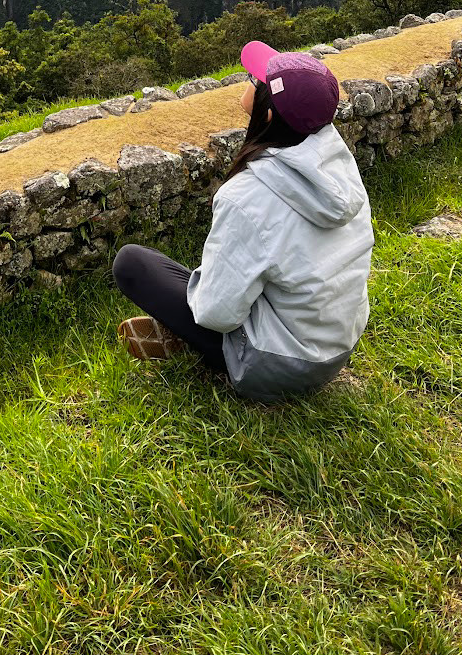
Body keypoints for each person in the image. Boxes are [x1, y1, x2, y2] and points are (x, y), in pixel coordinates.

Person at [113, 40, 374, 403]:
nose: (249, 81)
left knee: (132, 263)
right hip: (339, 341)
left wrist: (214, 281)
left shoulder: (247, 197)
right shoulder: (340, 170)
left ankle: (187, 340)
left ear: (267, 115)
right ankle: (183, 332)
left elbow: (217, 314)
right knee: (238, 277)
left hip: (280, 368)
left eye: (256, 81)